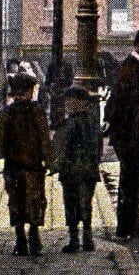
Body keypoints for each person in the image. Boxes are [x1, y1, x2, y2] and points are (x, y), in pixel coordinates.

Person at [0, 73, 53, 256]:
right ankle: (34, 236)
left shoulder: (5, 113)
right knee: (35, 200)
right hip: (33, 166)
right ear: (28, 91)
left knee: (16, 200)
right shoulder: (37, 112)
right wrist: (49, 161)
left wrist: (0, 153)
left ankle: (20, 238)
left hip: (13, 166)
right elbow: (44, 139)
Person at [105, 30, 139, 239]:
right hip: (130, 137)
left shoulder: (134, 67)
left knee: (135, 182)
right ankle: (125, 229)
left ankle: (133, 226)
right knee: (130, 182)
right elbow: (125, 107)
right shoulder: (130, 69)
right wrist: (137, 136)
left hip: (133, 136)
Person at [52, 86, 101, 252]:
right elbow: (98, 148)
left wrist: (55, 164)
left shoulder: (69, 123)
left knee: (71, 205)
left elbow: (60, 147)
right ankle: (88, 239)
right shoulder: (93, 123)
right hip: (89, 171)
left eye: (69, 101)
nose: (67, 104)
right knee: (86, 204)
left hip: (71, 171)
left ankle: (74, 239)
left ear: (79, 103)